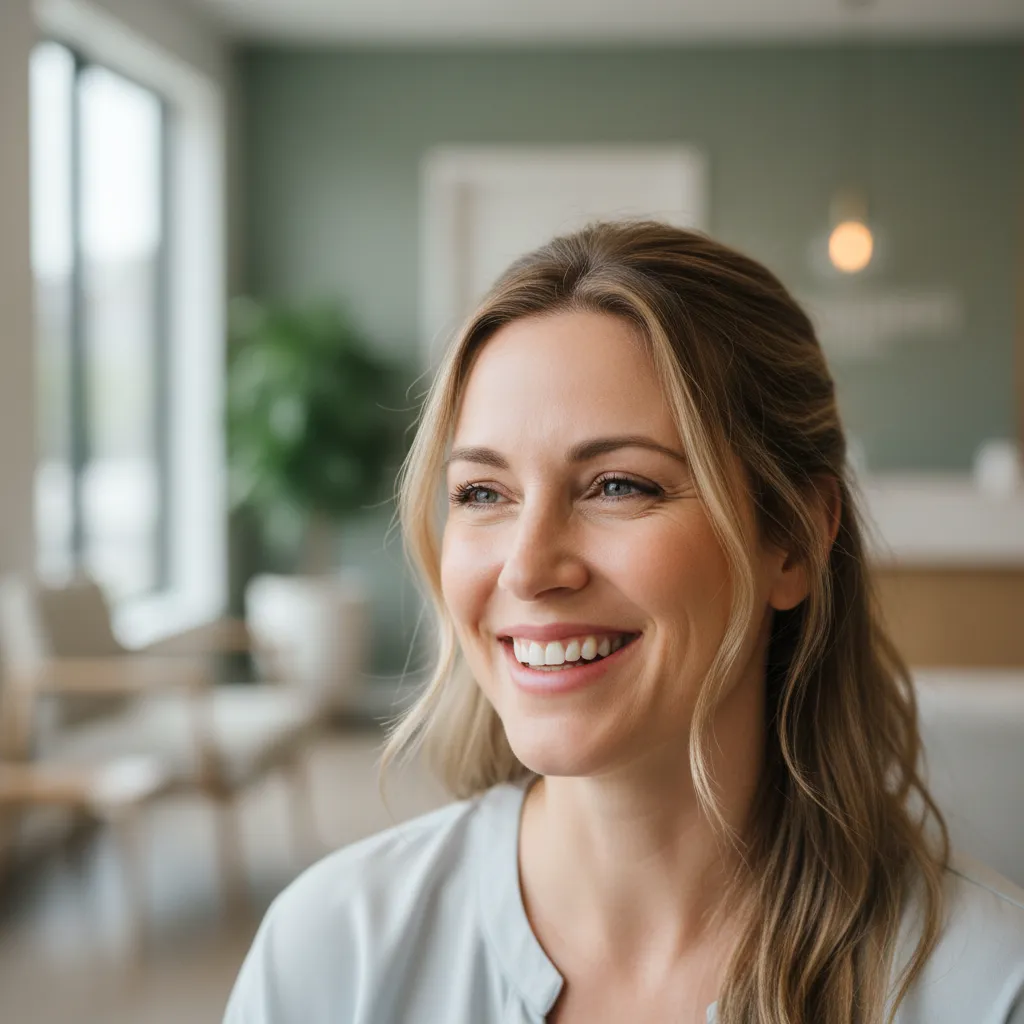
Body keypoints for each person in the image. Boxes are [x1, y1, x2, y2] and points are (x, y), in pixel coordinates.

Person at [223, 222, 1024, 1024]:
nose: (529, 569)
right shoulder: (330, 956)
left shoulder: (989, 986)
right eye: (482, 493)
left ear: (793, 540)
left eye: (618, 486)